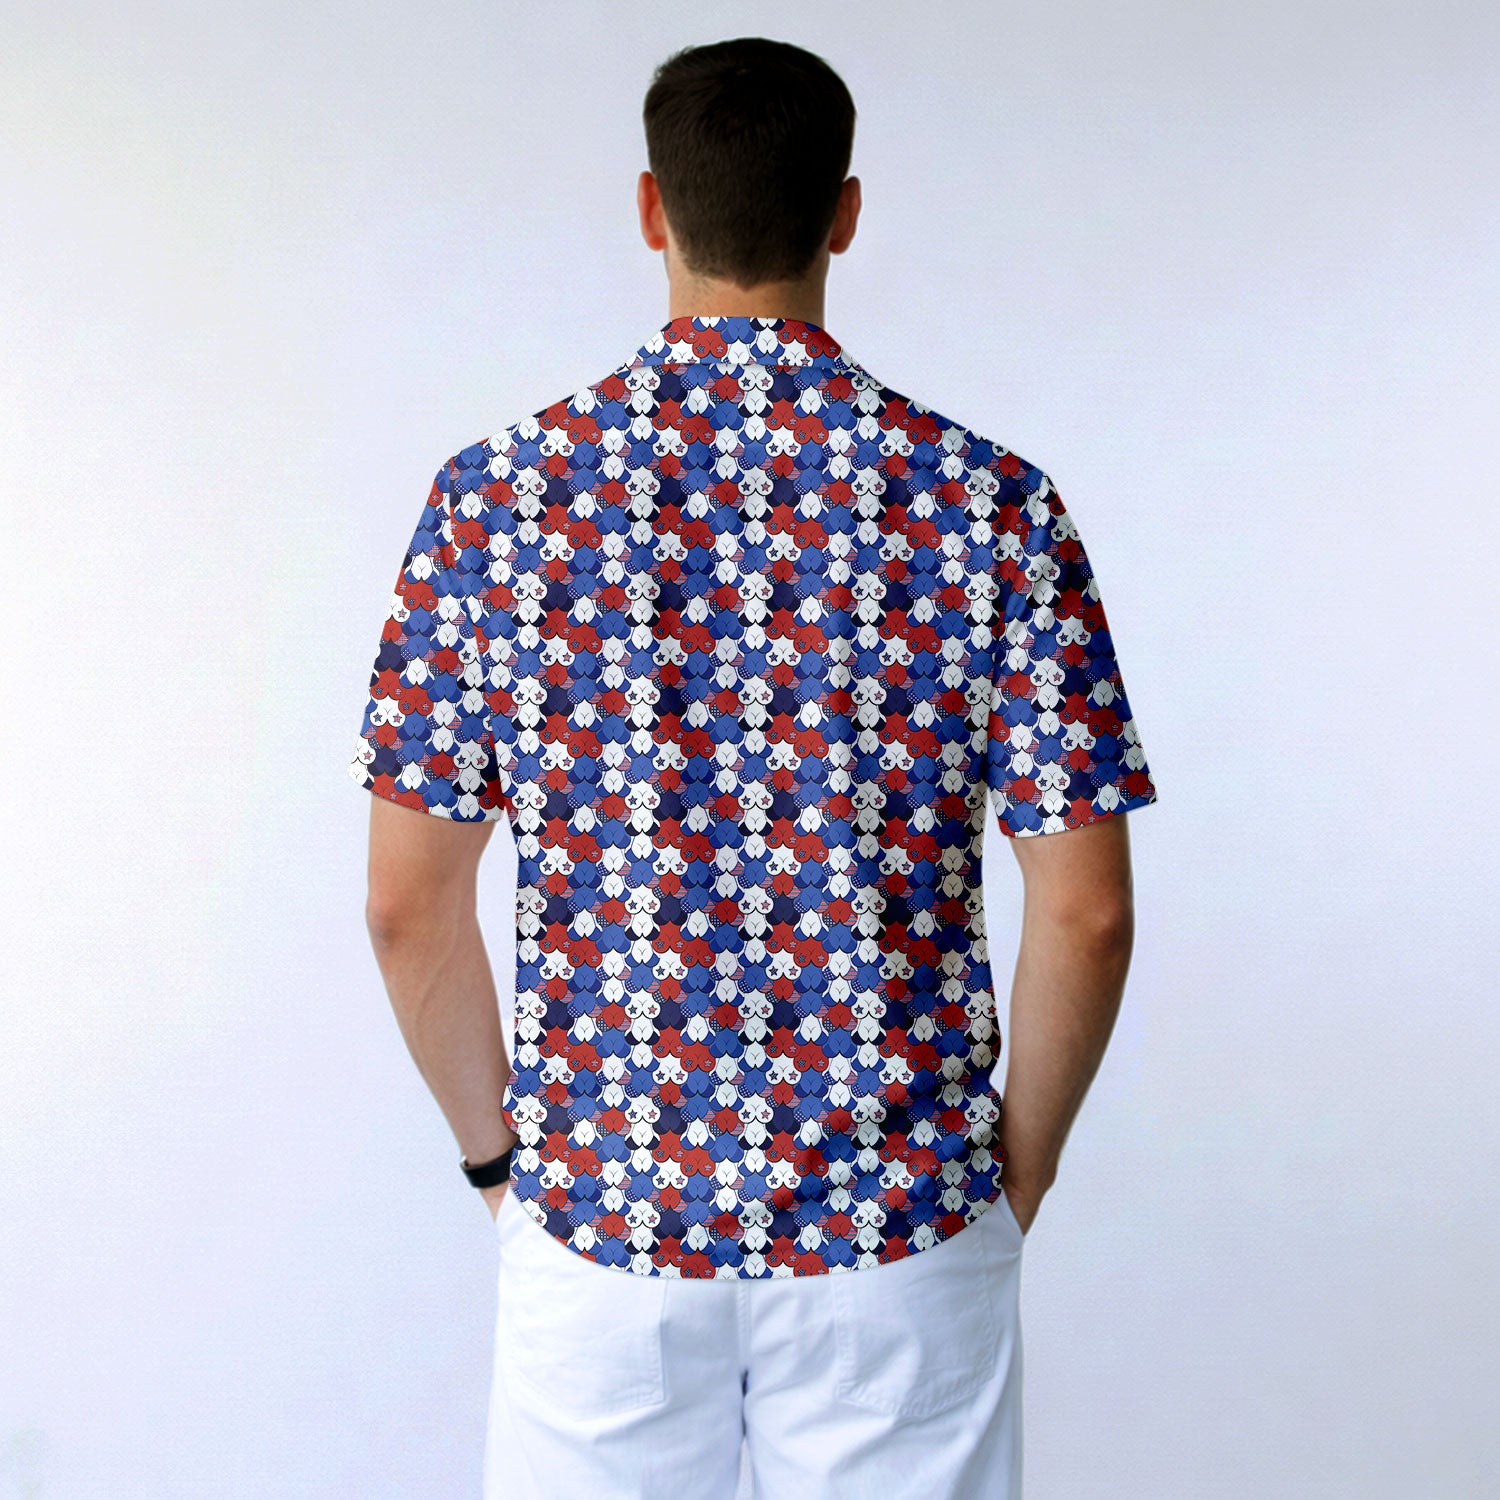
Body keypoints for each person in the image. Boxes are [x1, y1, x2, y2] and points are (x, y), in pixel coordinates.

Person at [349, 34, 1158, 1500]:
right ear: (843, 213)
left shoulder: (495, 505)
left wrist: (502, 1171)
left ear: (651, 207)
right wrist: (1018, 1171)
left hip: (605, 1219)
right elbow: (1088, 910)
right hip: (899, 1221)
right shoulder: (990, 505)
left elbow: (408, 905)